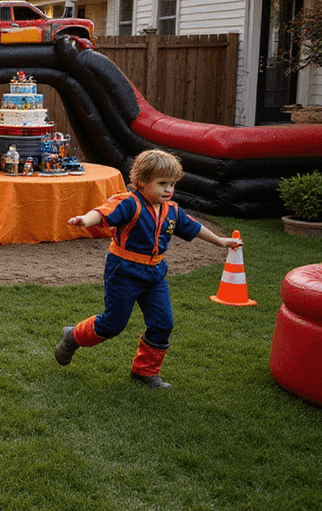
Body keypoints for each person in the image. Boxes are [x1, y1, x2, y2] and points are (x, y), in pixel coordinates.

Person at [54, 148, 242, 389]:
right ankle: (73, 336)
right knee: (113, 324)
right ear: (141, 182)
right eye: (162, 183)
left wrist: (220, 241)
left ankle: (145, 372)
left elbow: (193, 227)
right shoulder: (128, 203)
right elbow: (102, 213)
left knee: (163, 323)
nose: (169, 189)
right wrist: (84, 219)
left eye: (172, 184)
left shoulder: (172, 210)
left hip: (155, 274)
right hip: (123, 271)